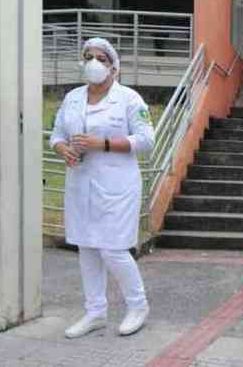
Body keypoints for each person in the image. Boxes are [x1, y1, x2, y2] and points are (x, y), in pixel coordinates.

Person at [50, 37, 155, 339]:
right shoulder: (72, 98)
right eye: (88, 56)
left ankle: (138, 305)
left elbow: (147, 141)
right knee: (87, 247)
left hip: (117, 185)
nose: (93, 62)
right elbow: (56, 134)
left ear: (113, 67)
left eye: (101, 57)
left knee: (112, 249)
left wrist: (103, 143)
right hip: (80, 182)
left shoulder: (129, 100)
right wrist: (63, 150)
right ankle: (95, 312)